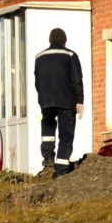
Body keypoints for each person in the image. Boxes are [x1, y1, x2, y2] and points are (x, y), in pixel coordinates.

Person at [33, 28, 83, 179]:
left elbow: (37, 82)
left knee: (47, 131)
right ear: (64, 41)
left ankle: (48, 159)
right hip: (66, 102)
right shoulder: (70, 55)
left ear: (50, 40)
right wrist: (79, 101)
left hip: (46, 102)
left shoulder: (39, 57)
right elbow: (76, 80)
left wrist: (43, 98)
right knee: (66, 135)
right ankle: (61, 169)